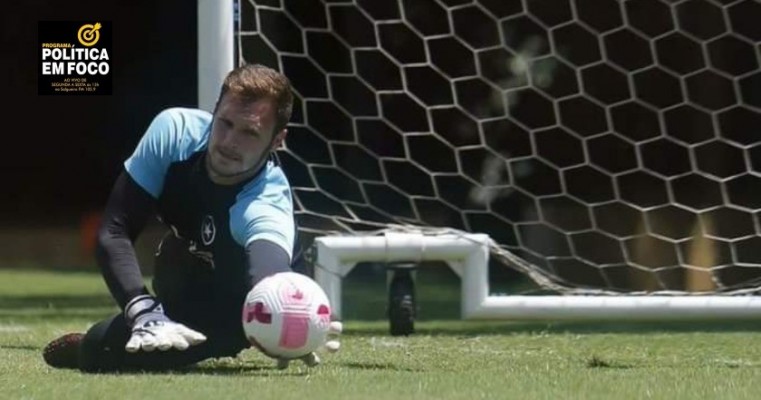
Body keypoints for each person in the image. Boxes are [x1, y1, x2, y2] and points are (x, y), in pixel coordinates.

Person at [42, 63, 341, 372]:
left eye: (250, 132)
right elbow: (114, 230)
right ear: (214, 112)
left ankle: (217, 336)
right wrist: (143, 311)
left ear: (277, 140)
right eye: (225, 123)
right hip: (185, 263)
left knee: (98, 348)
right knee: (169, 265)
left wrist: (290, 318)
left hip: (237, 302)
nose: (229, 142)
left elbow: (267, 275)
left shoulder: (265, 201)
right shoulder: (174, 133)